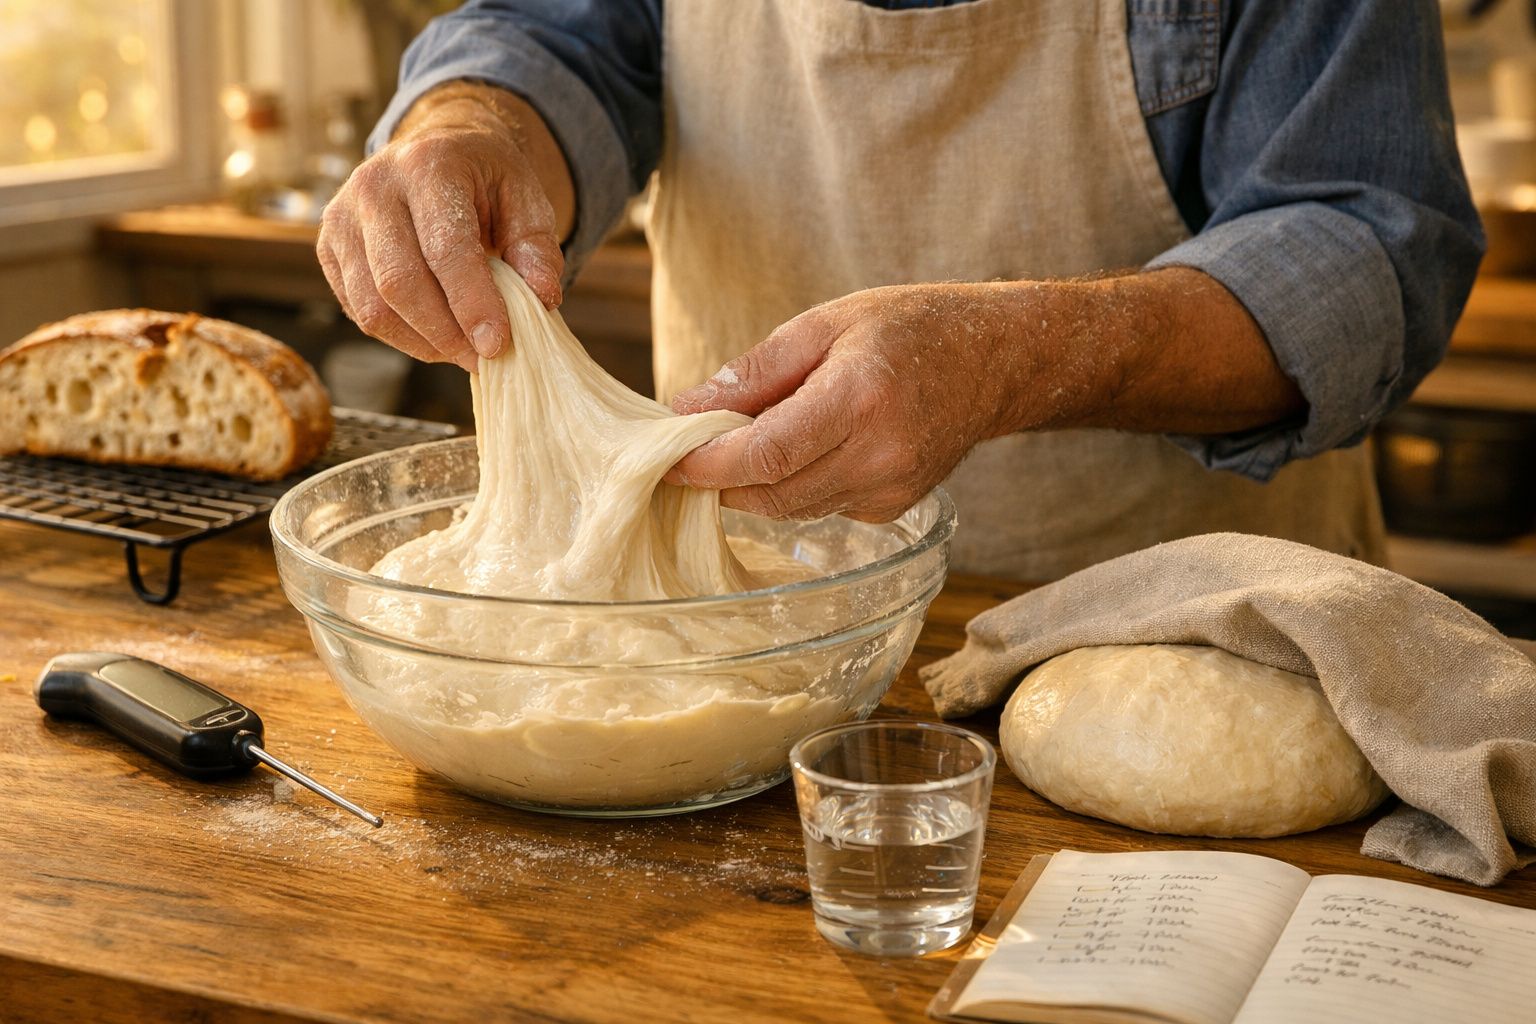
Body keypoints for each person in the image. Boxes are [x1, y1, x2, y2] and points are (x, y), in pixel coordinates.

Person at [317, 0, 1483, 581]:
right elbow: (551, 34)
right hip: (729, 628)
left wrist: (1017, 353)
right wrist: (473, 126)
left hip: (1190, 614)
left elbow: (1371, 240)